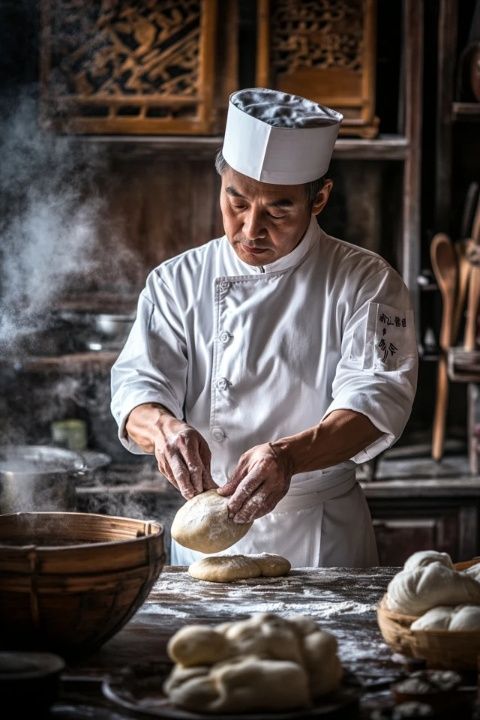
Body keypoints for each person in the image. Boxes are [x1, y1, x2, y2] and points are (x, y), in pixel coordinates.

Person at [111, 88, 418, 568]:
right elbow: (137, 387)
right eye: (236, 201)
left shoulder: (367, 281)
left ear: (319, 199)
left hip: (322, 537)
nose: (250, 229)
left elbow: (376, 401)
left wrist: (288, 458)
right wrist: (164, 427)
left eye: (278, 210)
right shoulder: (176, 281)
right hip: (205, 537)